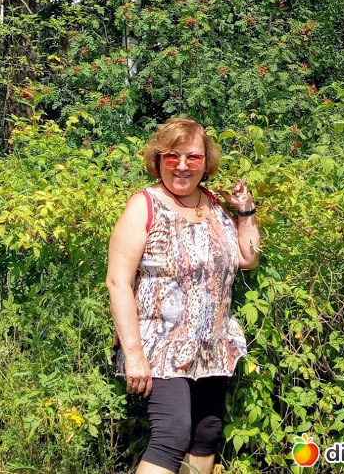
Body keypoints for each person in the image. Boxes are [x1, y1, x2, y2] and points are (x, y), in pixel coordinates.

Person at [106, 117, 261, 474]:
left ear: (206, 163)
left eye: (193, 157)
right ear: (157, 160)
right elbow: (117, 282)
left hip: (212, 343)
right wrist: (134, 354)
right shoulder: (144, 205)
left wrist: (245, 210)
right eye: (172, 156)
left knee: (207, 433)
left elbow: (247, 258)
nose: (181, 165)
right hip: (159, 345)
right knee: (172, 435)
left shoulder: (212, 204)